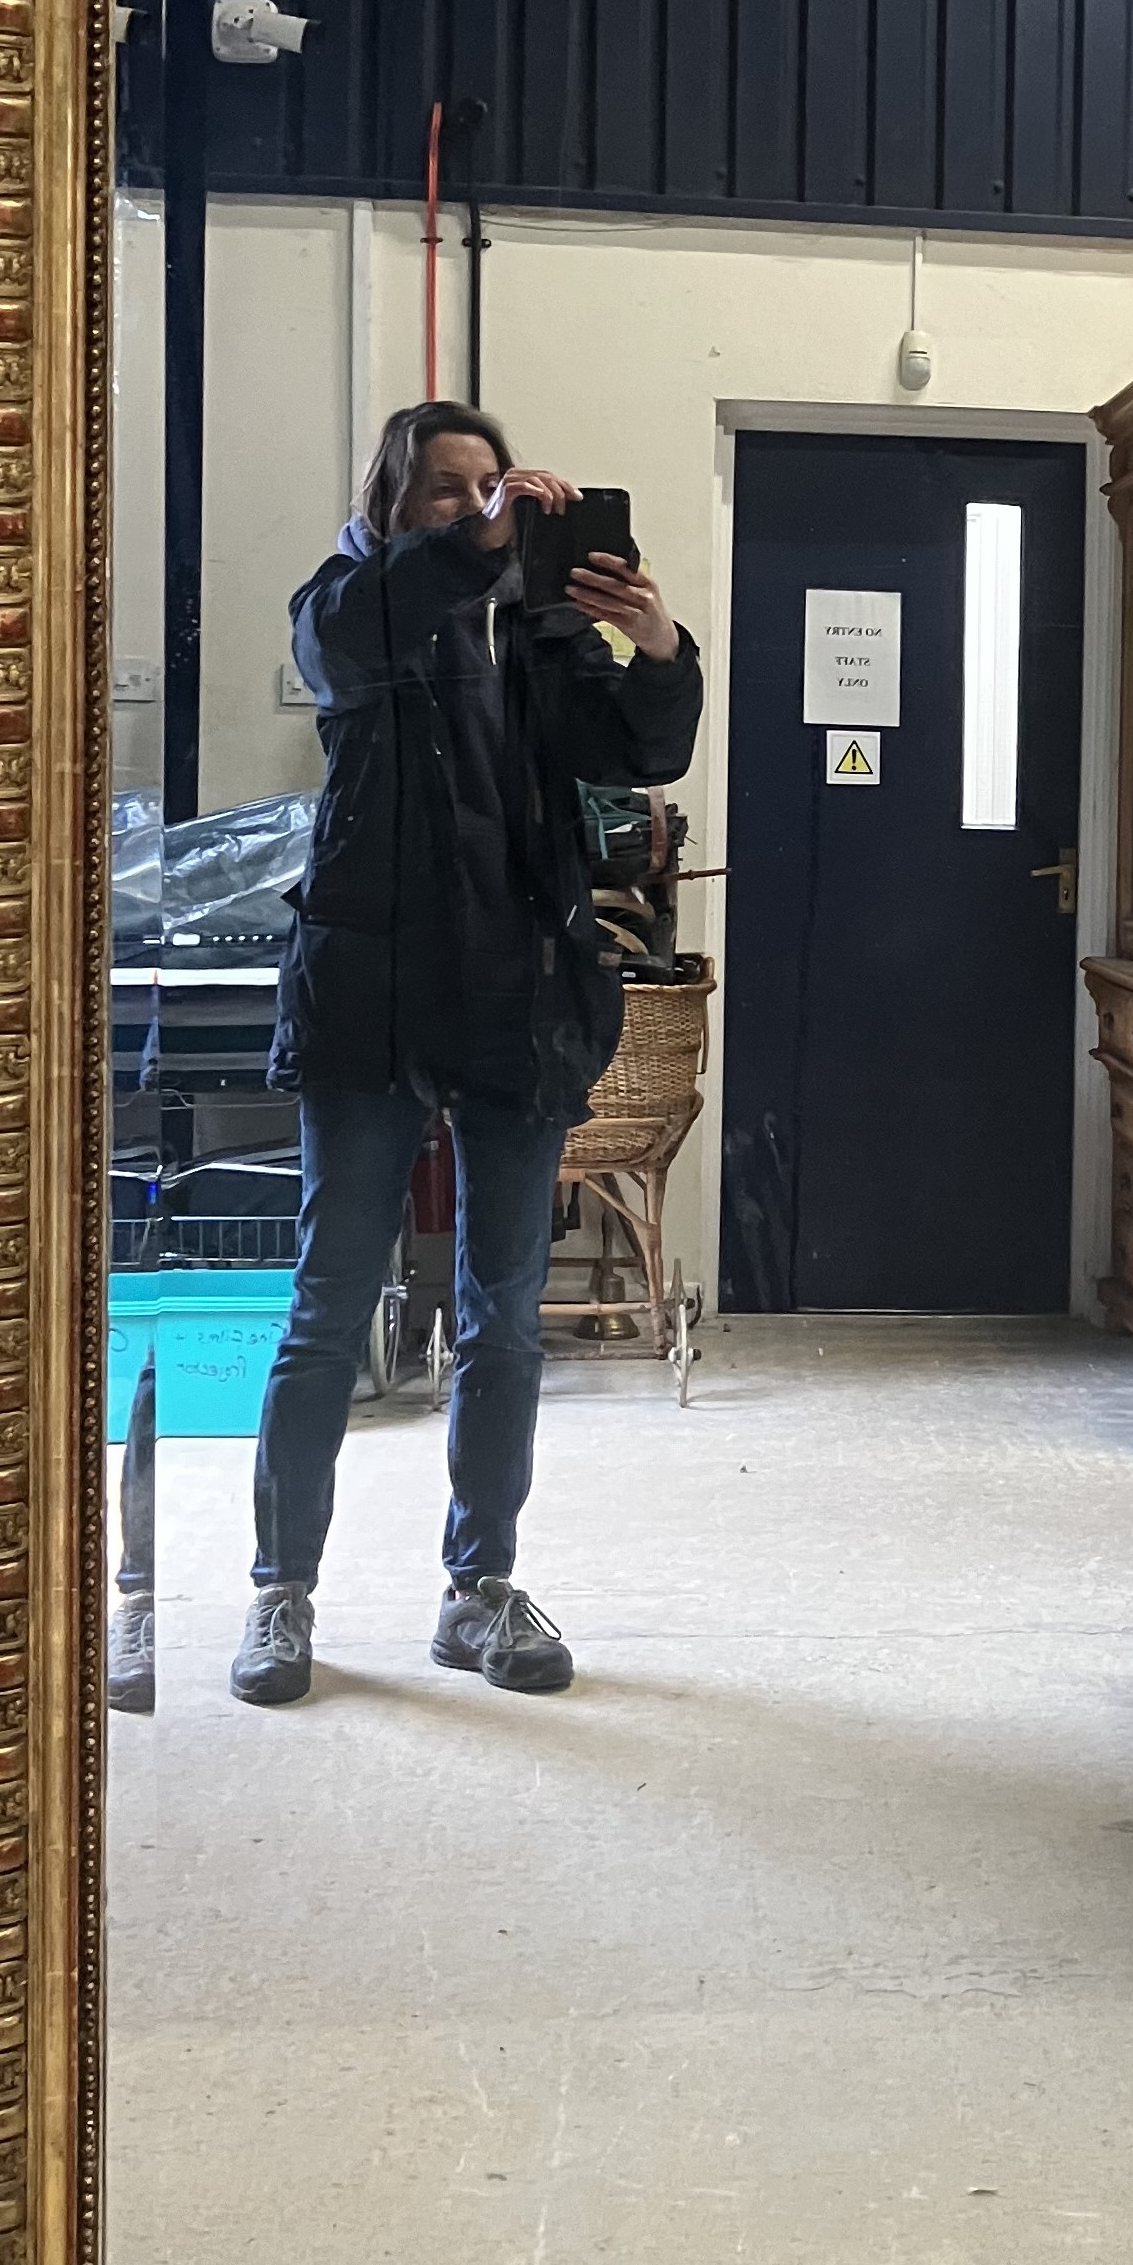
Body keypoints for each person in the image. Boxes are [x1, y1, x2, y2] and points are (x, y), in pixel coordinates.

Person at [230, 403, 702, 1709]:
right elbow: (349, 642)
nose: (478, 507)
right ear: (394, 503)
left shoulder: (543, 624)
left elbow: (646, 746)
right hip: (372, 1005)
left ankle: (479, 1587)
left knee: (503, 1320)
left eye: (493, 486)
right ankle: (281, 1588)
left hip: (517, 999)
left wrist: (659, 647)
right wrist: (468, 549)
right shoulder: (351, 603)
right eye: (447, 490)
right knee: (329, 1304)